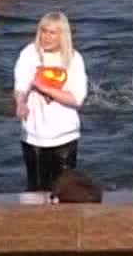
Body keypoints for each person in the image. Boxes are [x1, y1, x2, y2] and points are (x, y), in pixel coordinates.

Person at [14, 12, 87, 192]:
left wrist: (46, 89)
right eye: (43, 31)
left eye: (52, 33)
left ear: (63, 35)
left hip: (65, 136)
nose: (46, 37)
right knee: (36, 189)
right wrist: (20, 103)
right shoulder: (29, 53)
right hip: (33, 135)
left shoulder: (74, 58)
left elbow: (77, 98)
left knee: (63, 190)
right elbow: (21, 85)